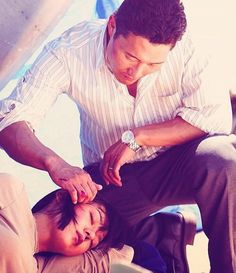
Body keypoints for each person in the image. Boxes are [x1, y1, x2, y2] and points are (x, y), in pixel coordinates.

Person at [0, 0, 234, 272]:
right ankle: (158, 234)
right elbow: (10, 120)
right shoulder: (70, 51)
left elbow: (216, 118)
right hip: (112, 179)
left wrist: (138, 137)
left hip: (179, 166)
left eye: (153, 64)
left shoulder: (187, 49)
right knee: (70, 233)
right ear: (112, 26)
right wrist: (56, 163)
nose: (137, 72)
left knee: (224, 159)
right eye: (130, 57)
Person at [0, 172, 133, 273]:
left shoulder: (39, 268)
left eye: (93, 243)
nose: (91, 235)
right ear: (62, 197)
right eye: (92, 217)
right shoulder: (12, 193)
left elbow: (121, 256)